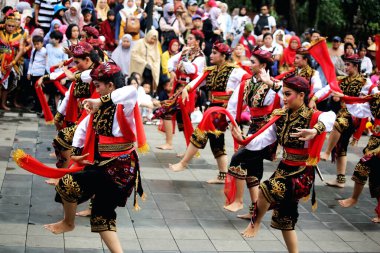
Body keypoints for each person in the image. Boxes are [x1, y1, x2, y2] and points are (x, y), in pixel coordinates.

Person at [44, 62, 144, 253]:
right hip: (103, 164)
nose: (96, 90)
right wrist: (75, 153)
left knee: (69, 184)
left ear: (111, 86)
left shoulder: (125, 103)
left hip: (121, 167)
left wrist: (101, 100)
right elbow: (83, 128)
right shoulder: (99, 107)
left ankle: (68, 222)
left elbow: (131, 90)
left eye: (98, 86)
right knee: (101, 215)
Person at [232, 76, 335, 251]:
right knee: (285, 220)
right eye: (283, 94)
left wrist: (314, 130)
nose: (284, 98)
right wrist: (244, 141)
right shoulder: (280, 116)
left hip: (302, 172)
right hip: (284, 168)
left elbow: (331, 117)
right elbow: (263, 139)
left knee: (265, 190)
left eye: (288, 94)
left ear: (301, 95)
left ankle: (255, 223)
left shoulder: (313, 116)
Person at [169, 42, 248, 184]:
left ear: (223, 56)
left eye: (215, 53)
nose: (211, 55)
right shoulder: (210, 70)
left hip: (223, 109)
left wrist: (236, 95)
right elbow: (197, 82)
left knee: (202, 130)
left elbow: (249, 82)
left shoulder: (236, 71)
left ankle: (184, 163)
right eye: (211, 52)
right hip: (212, 107)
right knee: (215, 140)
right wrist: (186, 89)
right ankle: (223, 175)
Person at [224, 49, 279, 217]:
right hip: (254, 128)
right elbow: (232, 106)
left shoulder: (274, 84)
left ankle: (239, 200)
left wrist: (272, 84)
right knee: (253, 170)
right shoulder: (247, 83)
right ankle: (255, 210)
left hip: (267, 130)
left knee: (238, 159)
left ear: (263, 65)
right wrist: (233, 125)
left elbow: (285, 99)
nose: (249, 64)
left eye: (253, 62)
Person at [309, 54, 374, 188]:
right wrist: (314, 98)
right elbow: (327, 89)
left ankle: (326, 152)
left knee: (339, 123)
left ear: (356, 66)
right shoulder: (342, 80)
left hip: (356, 115)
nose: (345, 67)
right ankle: (340, 179)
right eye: (345, 64)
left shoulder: (365, 82)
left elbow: (370, 98)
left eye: (348, 65)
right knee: (341, 146)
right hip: (343, 113)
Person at [157, 30, 206, 151]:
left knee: (183, 118)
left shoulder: (200, 57)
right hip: (178, 87)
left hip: (189, 89)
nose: (188, 41)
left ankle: (189, 148)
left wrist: (183, 56)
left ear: (197, 41)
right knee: (171, 113)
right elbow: (170, 61)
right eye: (188, 38)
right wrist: (172, 71)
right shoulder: (186, 52)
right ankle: (171, 143)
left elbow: (191, 69)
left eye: (190, 38)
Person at [336, 92, 380, 223]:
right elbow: (360, 108)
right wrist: (344, 97)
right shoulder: (376, 99)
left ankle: (355, 198)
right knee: (375, 177)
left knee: (365, 167)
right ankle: (356, 199)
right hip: (375, 142)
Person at [0, 11, 25, 111]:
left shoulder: (20, 36)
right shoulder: (1, 33)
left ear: (15, 27)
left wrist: (13, 62)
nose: (10, 28)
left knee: (8, 83)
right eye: (8, 26)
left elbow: (21, 50)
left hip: (12, 62)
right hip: (0, 60)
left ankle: (3, 103)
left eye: (12, 26)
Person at [27, 35, 47, 112]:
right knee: (34, 91)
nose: (36, 46)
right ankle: (36, 106)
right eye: (34, 44)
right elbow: (31, 61)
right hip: (33, 73)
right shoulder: (34, 50)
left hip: (41, 74)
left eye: (38, 44)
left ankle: (39, 108)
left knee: (40, 91)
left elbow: (46, 63)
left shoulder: (45, 51)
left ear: (42, 43)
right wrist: (29, 72)